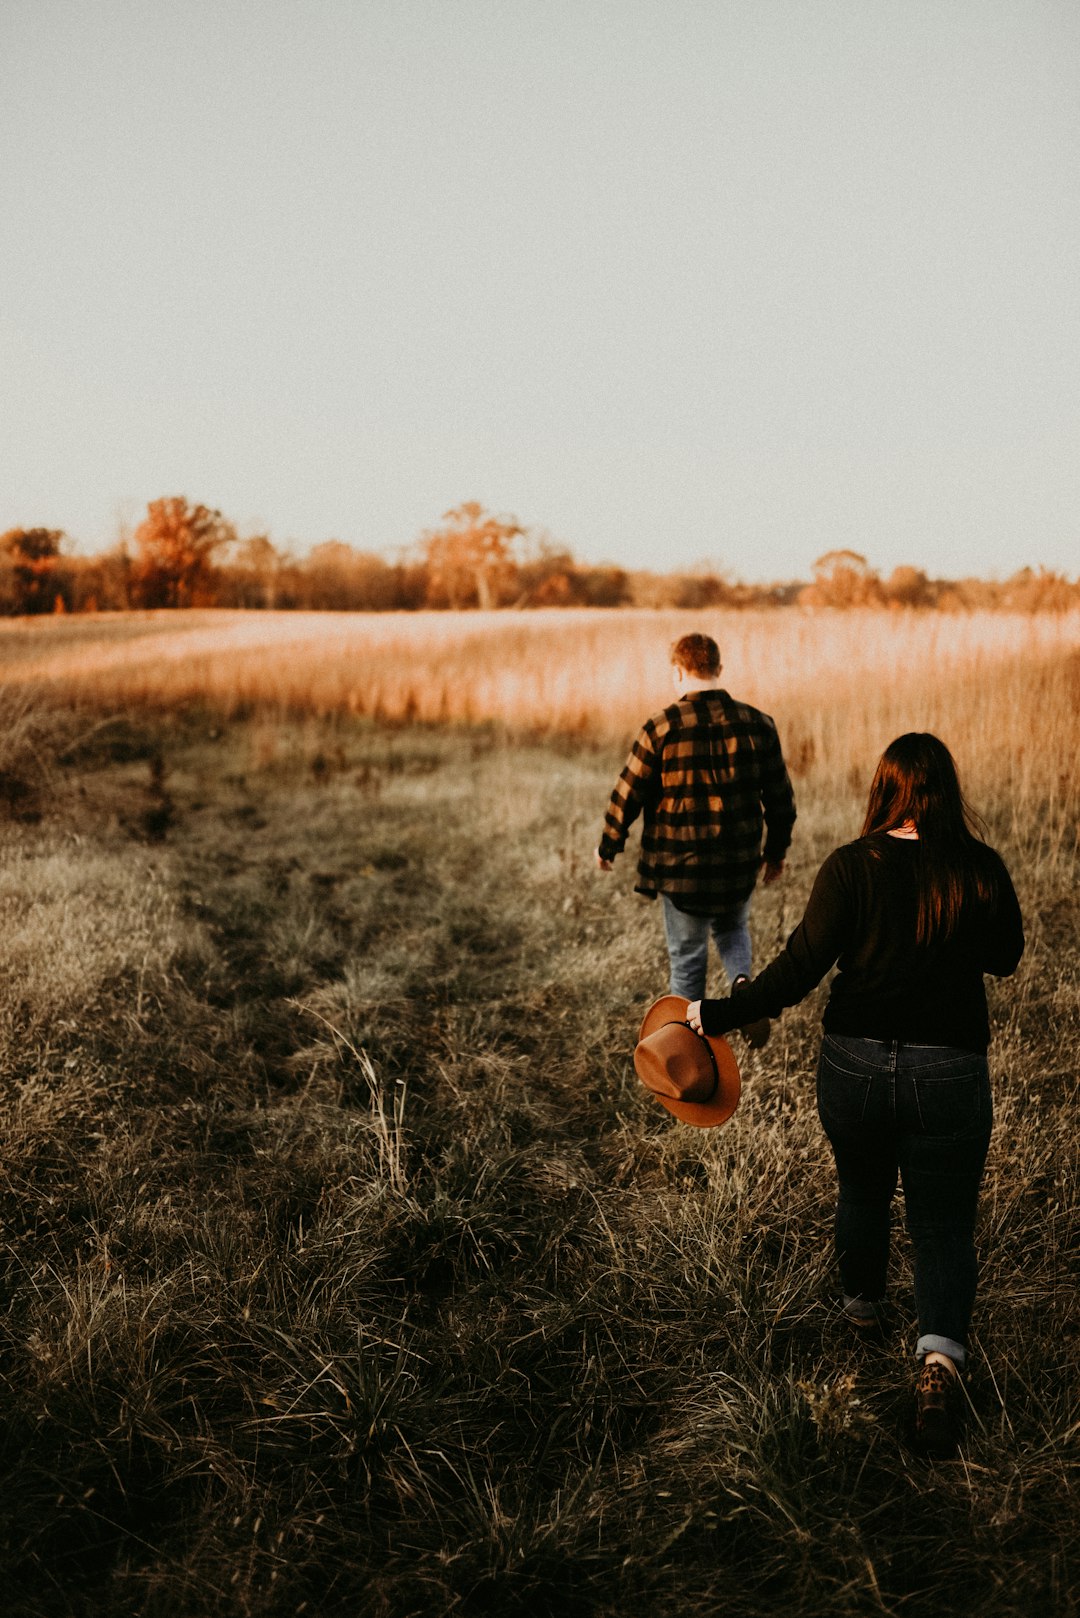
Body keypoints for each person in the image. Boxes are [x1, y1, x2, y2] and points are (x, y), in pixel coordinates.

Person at [685, 732, 1024, 1456]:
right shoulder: (979, 867)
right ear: (947, 790)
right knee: (942, 1225)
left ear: (885, 789)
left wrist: (710, 1015)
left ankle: (863, 1316)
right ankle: (937, 1368)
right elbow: (1008, 959)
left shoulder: (850, 867)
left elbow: (796, 972)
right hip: (949, 1071)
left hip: (855, 1066)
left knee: (862, 1193)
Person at [596, 633, 796, 1043]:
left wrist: (609, 844)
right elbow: (780, 799)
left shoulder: (661, 727)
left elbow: (627, 792)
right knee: (732, 928)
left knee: (687, 961)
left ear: (678, 672)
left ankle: (686, 1055)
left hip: (681, 869)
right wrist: (775, 853)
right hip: (738, 865)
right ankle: (743, 987)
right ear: (719, 670)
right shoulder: (759, 724)